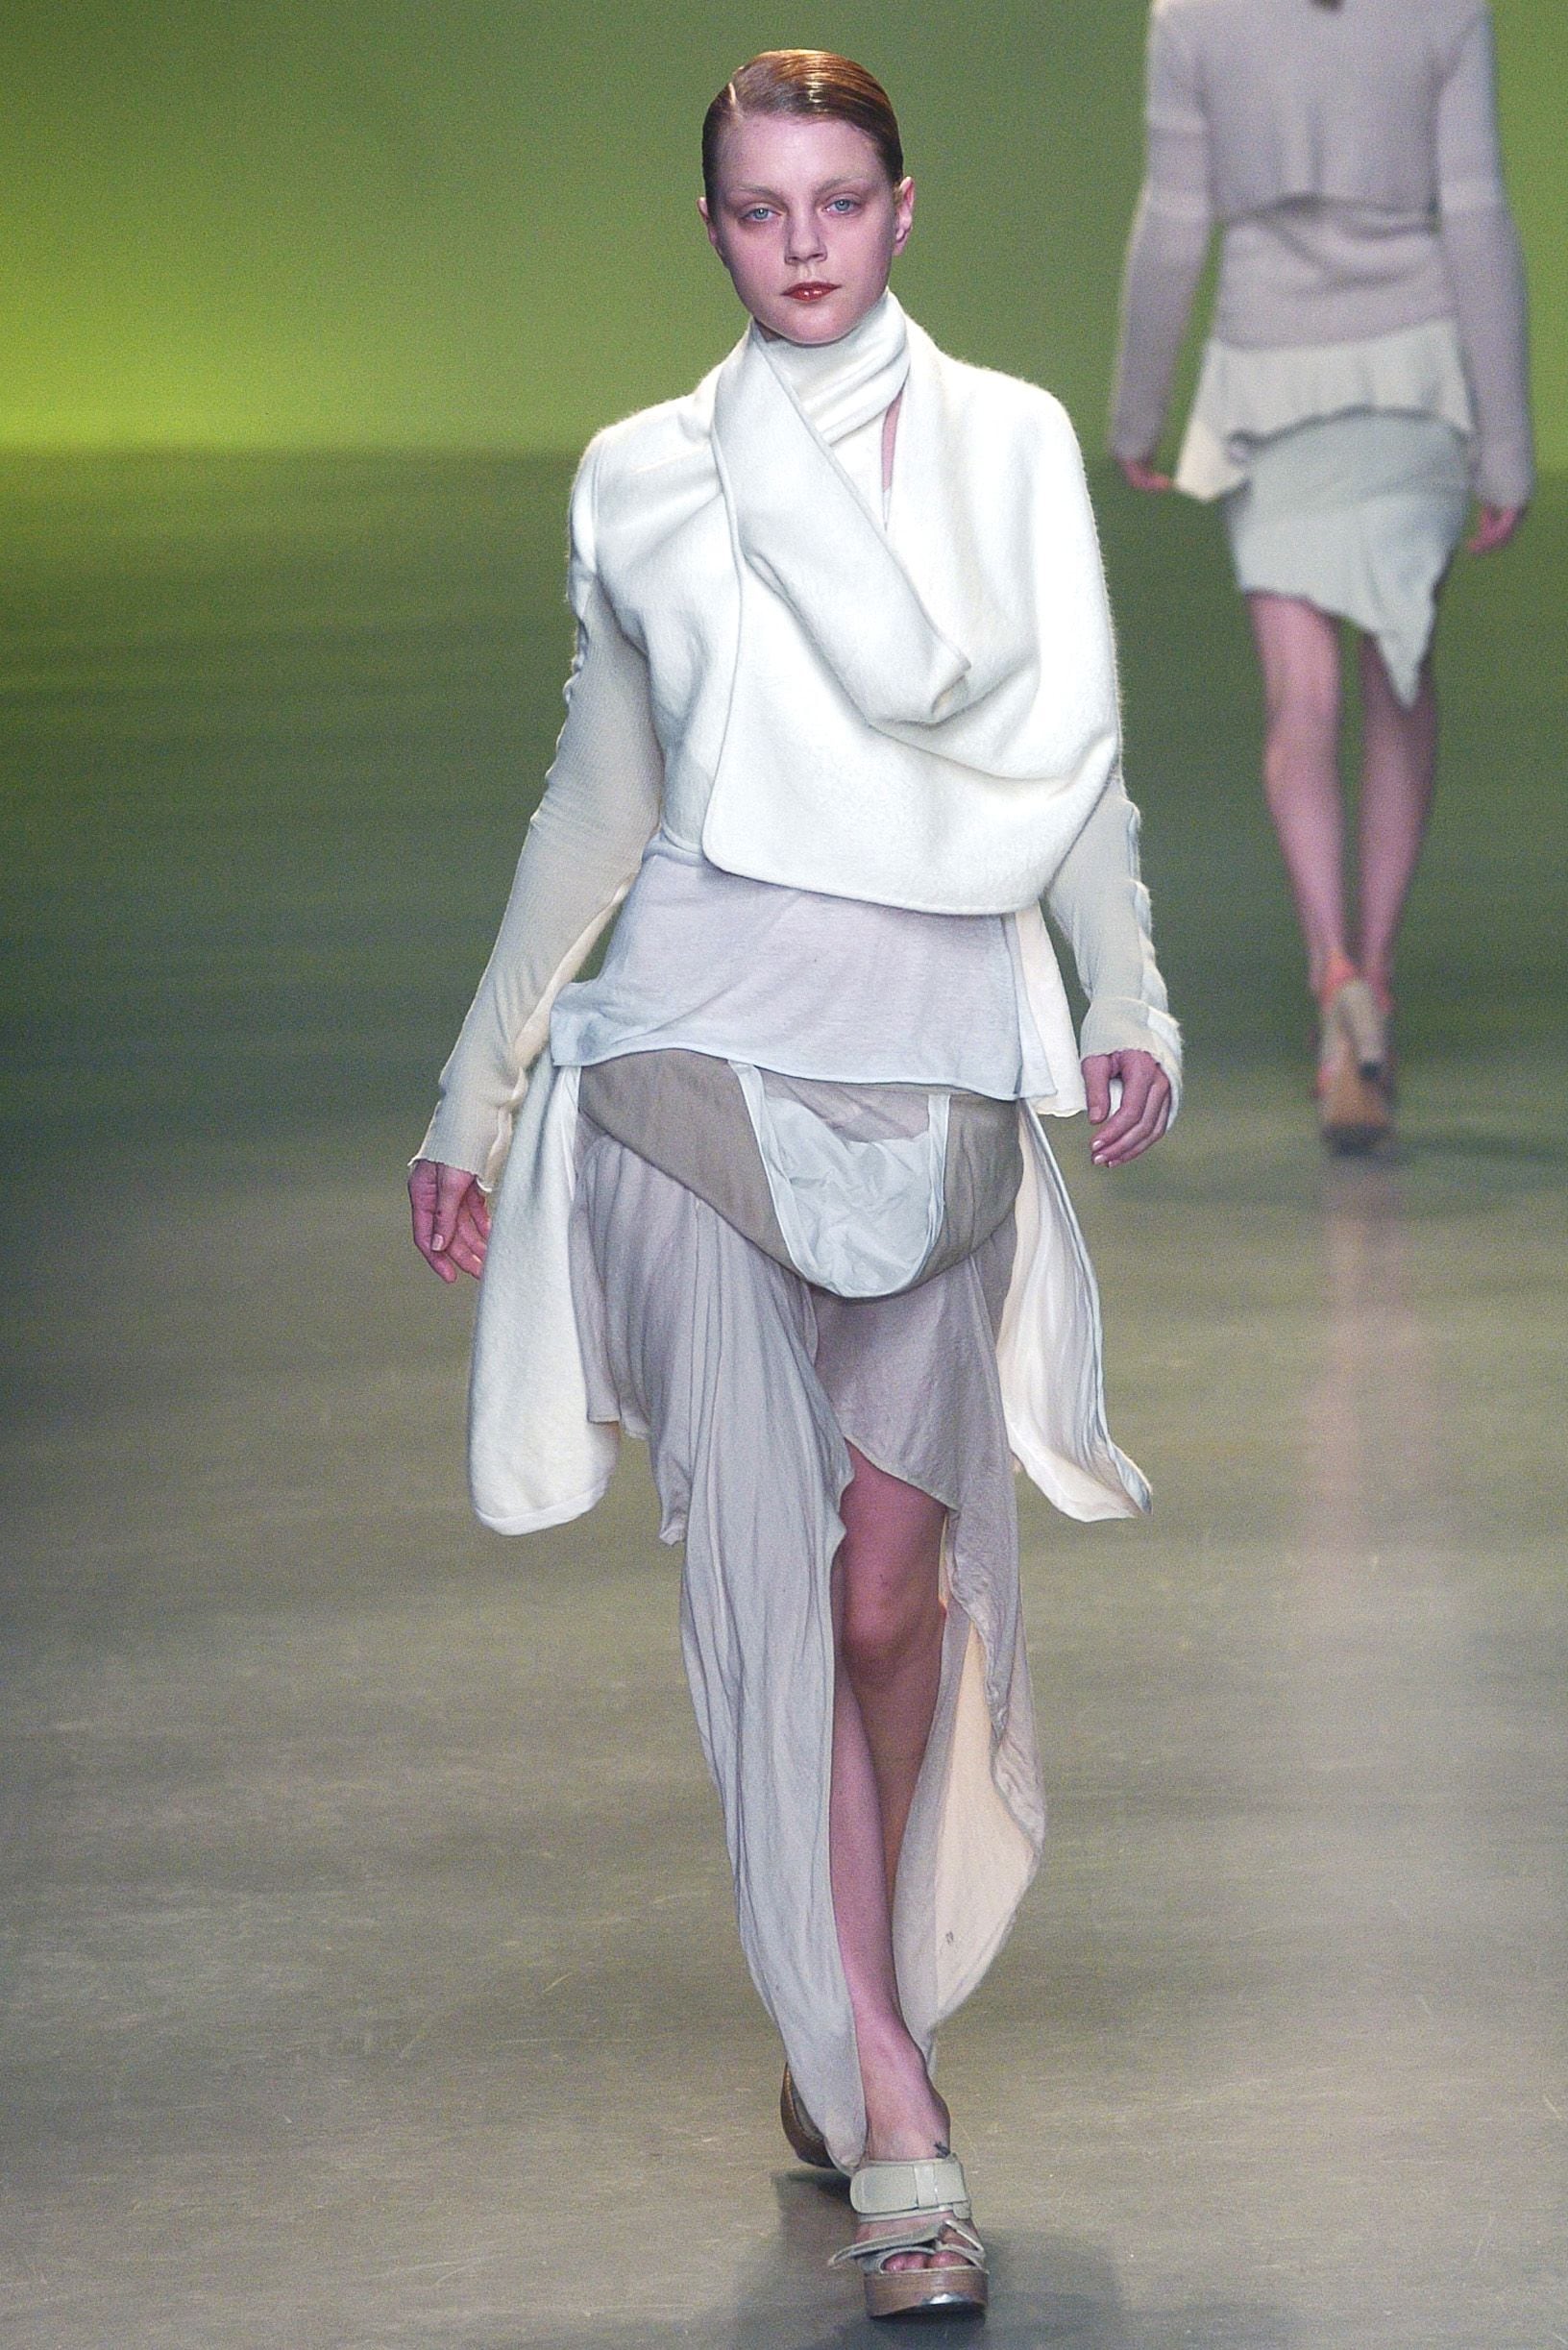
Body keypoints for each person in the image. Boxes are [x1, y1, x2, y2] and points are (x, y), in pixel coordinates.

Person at [410, 51, 1180, 2321]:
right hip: (685, 1063)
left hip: (935, 1065)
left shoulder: (1010, 445)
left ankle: (845, 2001)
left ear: (905, 209)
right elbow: (599, 794)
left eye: (839, 198)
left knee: (885, 1601)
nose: (805, 241)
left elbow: (1071, 758)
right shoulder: (647, 474)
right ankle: (895, 2116)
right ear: (715, 228)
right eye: (762, 207)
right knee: (770, 1590)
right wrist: (476, 1091)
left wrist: (1125, 986)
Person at [1110, 0, 1531, 1151]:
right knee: (1400, 671)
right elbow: (1477, 216)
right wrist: (1506, 446)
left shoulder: (1193, 16)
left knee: (1301, 701)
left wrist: (1138, 412)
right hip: (1415, 373)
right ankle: (1376, 979)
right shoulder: (1445, 10)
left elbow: (1174, 222)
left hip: (1269, 374)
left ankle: (1330, 972)